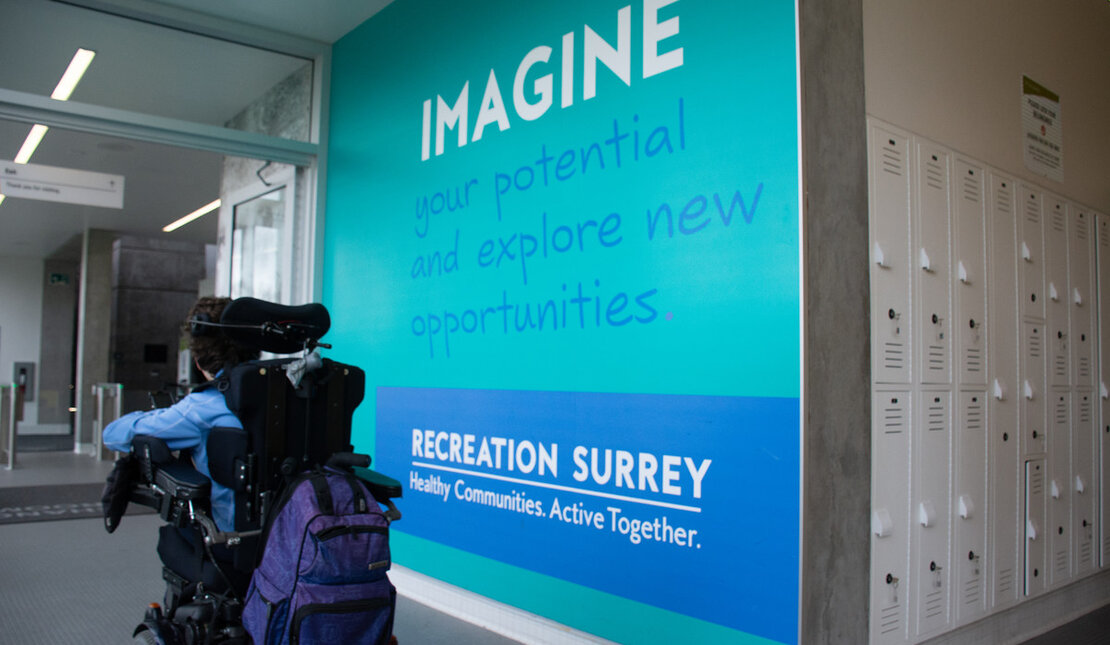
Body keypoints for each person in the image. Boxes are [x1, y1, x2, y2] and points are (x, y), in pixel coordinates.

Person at [103, 296, 260, 534]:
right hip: (294, 540)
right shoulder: (292, 392)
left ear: (198, 361)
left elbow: (114, 435)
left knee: (170, 541)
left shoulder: (203, 407)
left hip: (231, 539)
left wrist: (168, 413)